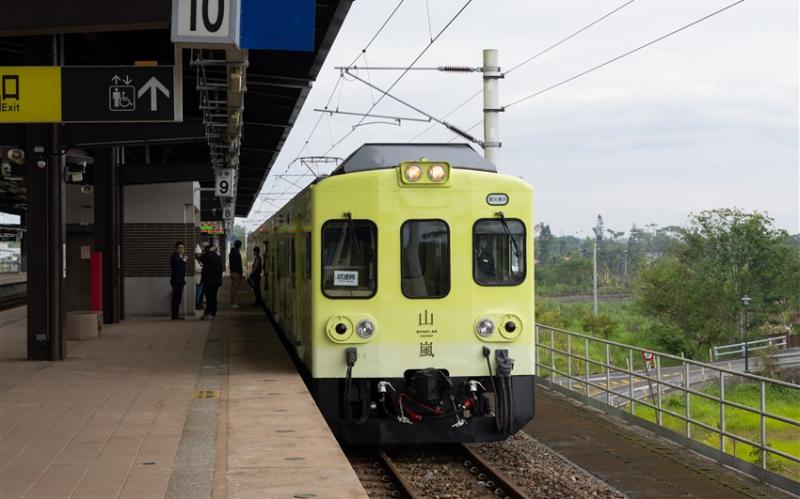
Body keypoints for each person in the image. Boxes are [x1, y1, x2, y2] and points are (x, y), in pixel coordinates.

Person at [201, 244, 223, 319]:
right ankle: (212, 312)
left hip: (209, 281)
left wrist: (209, 251)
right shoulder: (218, 258)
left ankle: (208, 313)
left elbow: (202, 257)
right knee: (213, 297)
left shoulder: (209, 257)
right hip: (216, 281)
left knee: (209, 297)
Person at [170, 241, 187, 320]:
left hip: (180, 280)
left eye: (183, 248)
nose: (182, 249)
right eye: (180, 248)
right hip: (176, 280)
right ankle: (174, 315)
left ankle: (176, 315)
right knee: (176, 298)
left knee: (178, 298)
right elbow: (178, 267)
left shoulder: (180, 257)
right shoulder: (175, 256)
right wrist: (183, 261)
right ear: (176, 249)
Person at [229, 240, 243, 309]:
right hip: (236, 273)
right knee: (235, 289)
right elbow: (239, 265)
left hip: (232, 273)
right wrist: (241, 274)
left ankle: (232, 302)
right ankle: (233, 303)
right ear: (239, 246)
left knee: (232, 288)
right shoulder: (237, 254)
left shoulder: (231, 253)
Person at [194, 245, 205, 310]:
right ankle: (197, 304)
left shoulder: (200, 260)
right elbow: (196, 269)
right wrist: (203, 269)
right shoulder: (194, 261)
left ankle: (200, 303)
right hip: (198, 279)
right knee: (198, 292)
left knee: (201, 292)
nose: (199, 255)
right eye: (198, 254)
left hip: (202, 278)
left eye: (200, 254)